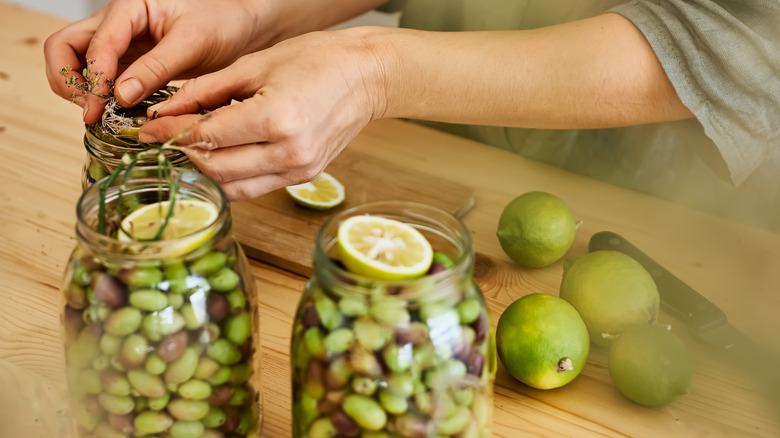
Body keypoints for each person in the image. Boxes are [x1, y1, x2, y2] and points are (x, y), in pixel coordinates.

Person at [44, 0, 780, 230]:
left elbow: (735, 39)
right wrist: (248, 12)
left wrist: (376, 72)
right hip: (425, 165)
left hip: (677, 222)